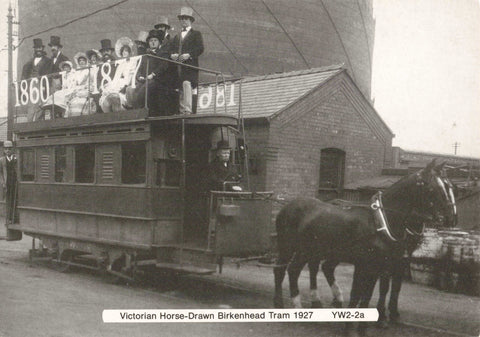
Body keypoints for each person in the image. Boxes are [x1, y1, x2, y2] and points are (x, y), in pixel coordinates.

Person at [170, 7, 204, 113]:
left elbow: (200, 48)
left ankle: (187, 110)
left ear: (190, 20)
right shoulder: (177, 36)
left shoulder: (196, 34)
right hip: (179, 67)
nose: (184, 20)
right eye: (182, 18)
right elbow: (172, 49)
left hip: (190, 66)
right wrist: (173, 55)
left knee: (186, 84)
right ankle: (181, 112)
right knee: (180, 87)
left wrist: (189, 55)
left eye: (186, 18)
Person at [100, 37, 139, 112]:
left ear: (129, 52)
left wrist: (126, 85)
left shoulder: (133, 62)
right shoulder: (120, 64)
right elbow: (116, 77)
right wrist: (110, 84)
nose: (125, 53)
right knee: (109, 91)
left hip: (127, 81)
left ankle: (124, 106)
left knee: (120, 94)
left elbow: (131, 74)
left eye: (126, 51)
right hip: (119, 81)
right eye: (123, 51)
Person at [21, 38, 52, 121]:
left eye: (40, 48)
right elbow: (25, 73)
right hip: (32, 85)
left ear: (42, 49)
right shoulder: (30, 62)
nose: (38, 50)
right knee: (31, 104)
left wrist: (45, 85)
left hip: (41, 84)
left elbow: (48, 74)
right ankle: (29, 122)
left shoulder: (47, 61)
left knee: (41, 103)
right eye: (37, 48)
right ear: (34, 49)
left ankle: (38, 121)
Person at [0, 141, 19, 225]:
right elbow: (0, 173)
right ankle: (9, 219)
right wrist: (3, 182)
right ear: (4, 150)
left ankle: (15, 218)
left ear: (12, 149)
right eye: (6, 149)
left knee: (15, 200)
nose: (8, 150)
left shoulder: (16, 158)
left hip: (15, 182)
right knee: (8, 201)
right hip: (7, 183)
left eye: (9, 149)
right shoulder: (1, 160)